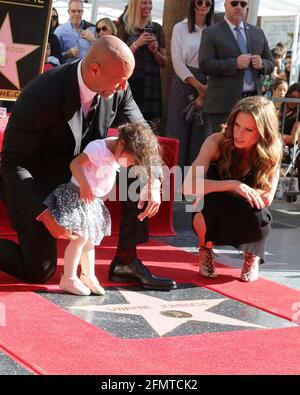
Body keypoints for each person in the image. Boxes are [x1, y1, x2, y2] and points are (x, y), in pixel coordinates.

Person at [0, 35, 176, 291]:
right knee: (38, 271)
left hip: (85, 178)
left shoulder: (118, 87)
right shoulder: (40, 94)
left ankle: (126, 261)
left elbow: (142, 133)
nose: (124, 86)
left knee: (140, 167)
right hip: (40, 182)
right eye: (119, 80)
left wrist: (155, 180)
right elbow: (12, 163)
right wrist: (45, 216)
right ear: (95, 69)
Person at [44, 123, 161, 296]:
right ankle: (68, 277)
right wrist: (84, 183)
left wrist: (152, 184)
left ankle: (88, 274)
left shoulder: (120, 150)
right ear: (121, 145)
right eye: (129, 160)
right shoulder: (98, 149)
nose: (129, 165)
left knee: (90, 239)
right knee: (79, 238)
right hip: (78, 195)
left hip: (92, 200)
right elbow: (75, 164)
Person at [183, 96, 282, 282]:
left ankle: (251, 255)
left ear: (263, 132)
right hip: (212, 206)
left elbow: (267, 197)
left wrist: (240, 193)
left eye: (248, 129)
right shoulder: (216, 142)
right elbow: (187, 186)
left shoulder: (272, 150)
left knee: (260, 213)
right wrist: (234, 185)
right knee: (202, 202)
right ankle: (205, 248)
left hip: (245, 207)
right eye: (237, 125)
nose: (239, 134)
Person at [198, 0, 274, 133]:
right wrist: (234, 64)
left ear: (247, 8)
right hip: (224, 104)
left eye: (243, 4)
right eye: (234, 3)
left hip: (252, 102)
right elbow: (205, 64)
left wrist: (262, 64)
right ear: (225, 5)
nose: (239, 7)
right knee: (223, 147)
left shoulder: (257, 32)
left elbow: (271, 62)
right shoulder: (211, 32)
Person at [166, 0, 214, 169]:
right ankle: (172, 187)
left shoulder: (215, 31)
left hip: (209, 83)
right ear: (192, 4)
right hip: (183, 81)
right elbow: (177, 61)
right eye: (199, 2)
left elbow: (217, 60)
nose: (203, 6)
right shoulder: (180, 28)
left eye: (207, 3)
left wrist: (206, 89)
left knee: (202, 139)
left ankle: (195, 188)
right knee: (177, 134)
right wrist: (199, 87)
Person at [117, 0, 167, 125]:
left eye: (150, 3)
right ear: (135, 5)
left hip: (151, 85)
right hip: (130, 82)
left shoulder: (156, 28)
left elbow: (164, 62)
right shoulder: (125, 28)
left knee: (148, 126)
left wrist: (154, 51)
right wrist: (136, 44)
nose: (148, 6)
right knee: (127, 125)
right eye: (144, 3)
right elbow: (118, 58)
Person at [54, 0, 95, 64]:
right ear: (68, 12)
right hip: (67, 71)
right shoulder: (60, 31)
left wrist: (93, 40)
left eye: (79, 11)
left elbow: (100, 51)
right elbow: (53, 57)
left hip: (86, 70)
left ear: (83, 12)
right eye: (73, 11)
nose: (76, 14)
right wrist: (67, 54)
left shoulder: (92, 29)